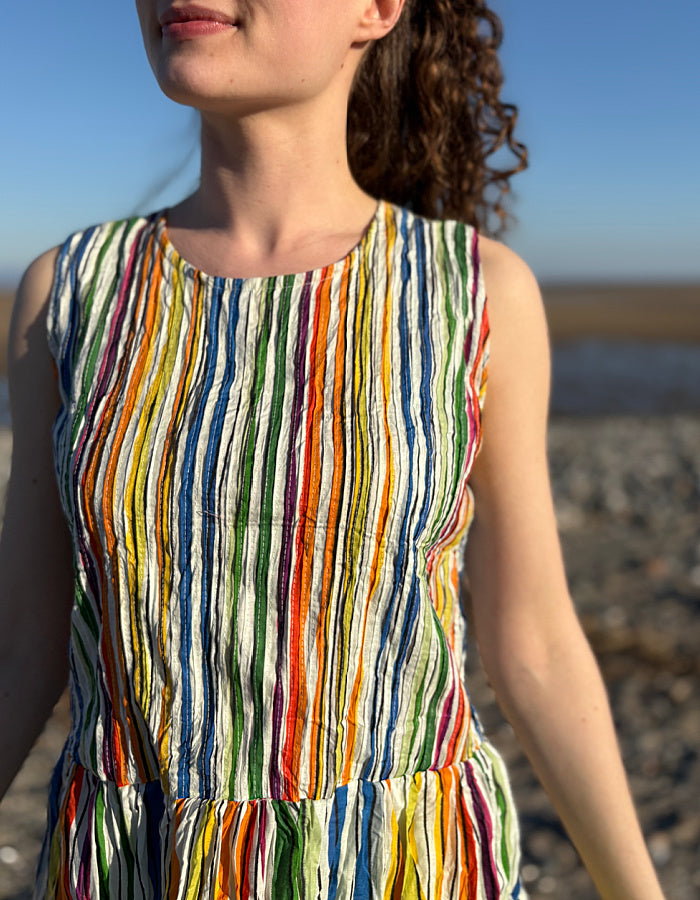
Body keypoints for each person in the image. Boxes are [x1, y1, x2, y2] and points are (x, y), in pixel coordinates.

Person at [0, 1, 668, 898]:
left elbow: (534, 648)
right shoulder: (71, 294)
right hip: (133, 867)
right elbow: (24, 643)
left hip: (398, 868)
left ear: (376, 9)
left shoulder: (473, 296)